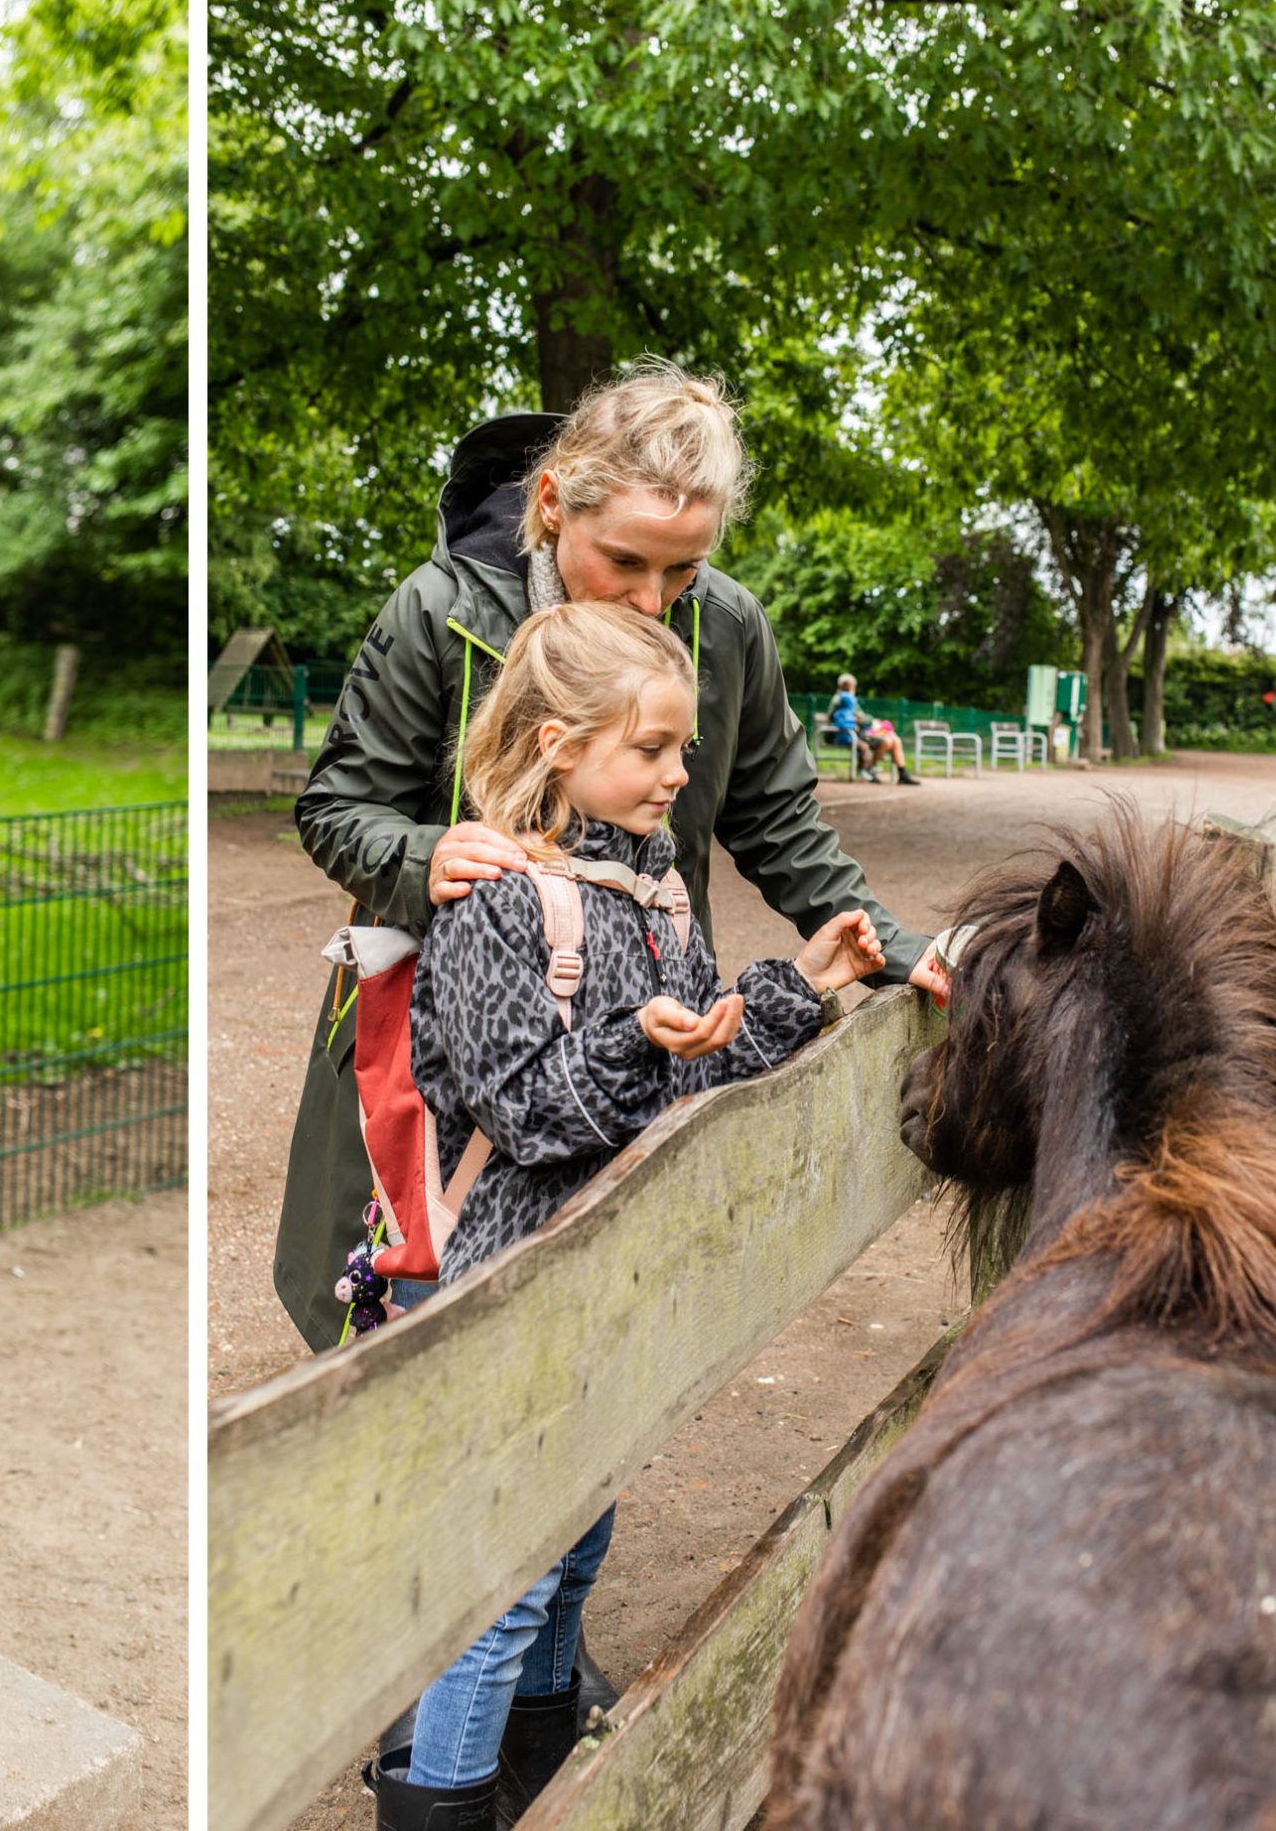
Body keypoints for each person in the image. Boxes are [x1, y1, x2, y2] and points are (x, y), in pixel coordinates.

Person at [277, 361, 944, 1357]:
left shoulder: (725, 630)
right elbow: (335, 807)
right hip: (447, 1046)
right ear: (552, 505)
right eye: (626, 562)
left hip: (631, 1027)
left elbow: (777, 820)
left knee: (595, 1315)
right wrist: (422, 851)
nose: (650, 599)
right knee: (411, 1325)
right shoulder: (435, 610)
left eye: (682, 571)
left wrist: (897, 945)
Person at [365, 601, 888, 1827]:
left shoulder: (655, 899)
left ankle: (544, 1758)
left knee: (579, 1538)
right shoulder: (501, 902)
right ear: (559, 746)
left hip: (600, 1267)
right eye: (650, 748)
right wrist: (635, 1042)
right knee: (503, 1573)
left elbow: (692, 1063)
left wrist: (789, 992)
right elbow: (532, 1110)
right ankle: (438, 1798)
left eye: (684, 748)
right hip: (503, 1275)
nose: (677, 772)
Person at [829, 673, 919, 784]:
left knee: (895, 739)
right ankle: (868, 769)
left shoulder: (847, 699)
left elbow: (861, 717)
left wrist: (870, 721)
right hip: (853, 734)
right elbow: (854, 718)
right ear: (847, 686)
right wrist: (870, 721)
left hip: (861, 731)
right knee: (887, 741)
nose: (854, 689)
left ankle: (902, 773)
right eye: (853, 687)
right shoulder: (843, 699)